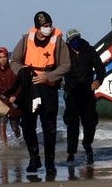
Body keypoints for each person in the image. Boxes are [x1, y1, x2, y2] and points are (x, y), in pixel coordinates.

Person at [9, 11, 70, 176]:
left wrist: (48, 76)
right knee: (28, 125)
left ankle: (50, 162)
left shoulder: (58, 40)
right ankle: (34, 158)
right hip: (29, 87)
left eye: (50, 25)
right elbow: (14, 60)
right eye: (45, 26)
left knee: (49, 126)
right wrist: (23, 73)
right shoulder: (26, 40)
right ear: (37, 27)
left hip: (49, 86)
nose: (48, 29)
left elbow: (66, 65)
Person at [62, 28, 107, 166]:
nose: (76, 42)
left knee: (90, 123)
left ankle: (87, 146)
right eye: (72, 40)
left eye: (77, 38)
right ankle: (71, 153)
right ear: (68, 42)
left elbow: (100, 68)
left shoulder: (89, 50)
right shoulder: (64, 53)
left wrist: (98, 81)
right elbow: (56, 69)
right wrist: (58, 81)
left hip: (87, 92)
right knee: (72, 124)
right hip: (71, 93)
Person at [0, 46, 22, 146]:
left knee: (14, 126)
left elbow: (20, 84)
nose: (2, 59)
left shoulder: (13, 68)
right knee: (2, 124)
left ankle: (20, 141)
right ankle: (5, 147)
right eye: (0, 57)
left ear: (8, 57)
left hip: (14, 102)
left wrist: (15, 96)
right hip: (2, 102)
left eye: (4, 57)